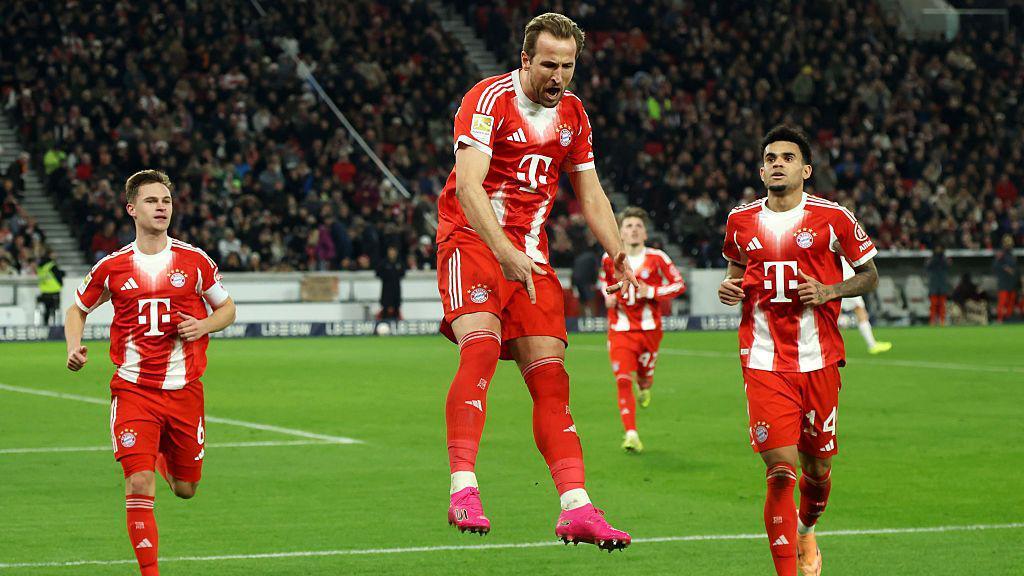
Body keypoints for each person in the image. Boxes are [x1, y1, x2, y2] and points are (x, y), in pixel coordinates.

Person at [435, 13, 637, 550]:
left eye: (567, 66)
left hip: (531, 256)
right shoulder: (487, 100)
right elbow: (470, 188)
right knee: (479, 347)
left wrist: (617, 251)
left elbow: (590, 194)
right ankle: (463, 487)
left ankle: (576, 506)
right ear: (525, 60)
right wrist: (501, 251)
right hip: (473, 243)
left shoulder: (573, 115)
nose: (558, 76)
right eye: (548, 64)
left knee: (551, 379)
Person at [718, 126, 880, 576]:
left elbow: (869, 275)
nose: (776, 163)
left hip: (820, 359)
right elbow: (736, 267)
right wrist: (730, 287)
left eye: (787, 157)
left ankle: (808, 528)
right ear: (761, 168)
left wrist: (830, 291)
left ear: (805, 169)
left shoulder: (834, 217)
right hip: (763, 359)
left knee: (818, 469)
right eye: (770, 157)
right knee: (781, 472)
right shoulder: (741, 220)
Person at [64, 169, 236, 576]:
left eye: (166, 201)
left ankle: (162, 453)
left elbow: (227, 309)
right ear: (131, 209)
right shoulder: (113, 267)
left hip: (184, 391)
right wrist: (74, 346)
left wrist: (203, 326)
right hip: (133, 391)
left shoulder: (194, 261)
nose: (161, 207)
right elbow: (78, 308)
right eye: (151, 201)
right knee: (139, 483)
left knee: (185, 489)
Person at [601, 206, 685, 452]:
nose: (634, 230)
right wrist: (608, 296)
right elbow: (604, 283)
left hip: (650, 330)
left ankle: (645, 384)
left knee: (644, 379)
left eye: (638, 226)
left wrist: (654, 292)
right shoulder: (610, 259)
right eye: (628, 226)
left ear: (645, 233)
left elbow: (678, 284)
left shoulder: (658, 258)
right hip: (620, 329)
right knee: (623, 379)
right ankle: (631, 433)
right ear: (621, 233)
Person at [839, 256, 890, 353]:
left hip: (841, 279)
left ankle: (830, 346)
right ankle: (872, 345)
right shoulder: (840, 245)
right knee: (859, 310)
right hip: (846, 281)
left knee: (838, 313)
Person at [993, 234, 1019, 322]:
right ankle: (1000, 318)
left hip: (1012, 283)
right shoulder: (1001, 253)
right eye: (1007, 241)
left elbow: (1015, 269)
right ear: (1003, 243)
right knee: (1002, 301)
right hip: (1003, 282)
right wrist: (1005, 268)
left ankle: (1008, 318)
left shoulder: (1012, 255)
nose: (1009, 243)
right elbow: (995, 266)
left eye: (1010, 241)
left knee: (1011, 302)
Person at [376, 245, 405, 320]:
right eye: (390, 251)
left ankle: (396, 328)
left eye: (393, 251)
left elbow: (403, 273)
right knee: (385, 310)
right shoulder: (383, 263)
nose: (392, 253)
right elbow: (378, 273)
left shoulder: (400, 263)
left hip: (396, 290)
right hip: (386, 290)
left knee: (396, 310)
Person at [36, 249, 64, 325]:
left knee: (46, 312)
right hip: (54, 291)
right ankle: (54, 330)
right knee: (55, 312)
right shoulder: (51, 265)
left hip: (44, 292)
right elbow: (58, 275)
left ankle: (45, 327)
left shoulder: (40, 267)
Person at [925, 244, 951, 325]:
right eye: (937, 248)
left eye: (939, 248)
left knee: (942, 305)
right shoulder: (931, 259)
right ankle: (932, 320)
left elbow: (948, 266)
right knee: (933, 305)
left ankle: (942, 321)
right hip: (934, 284)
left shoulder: (944, 259)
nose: (938, 250)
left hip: (942, 284)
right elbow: (927, 267)